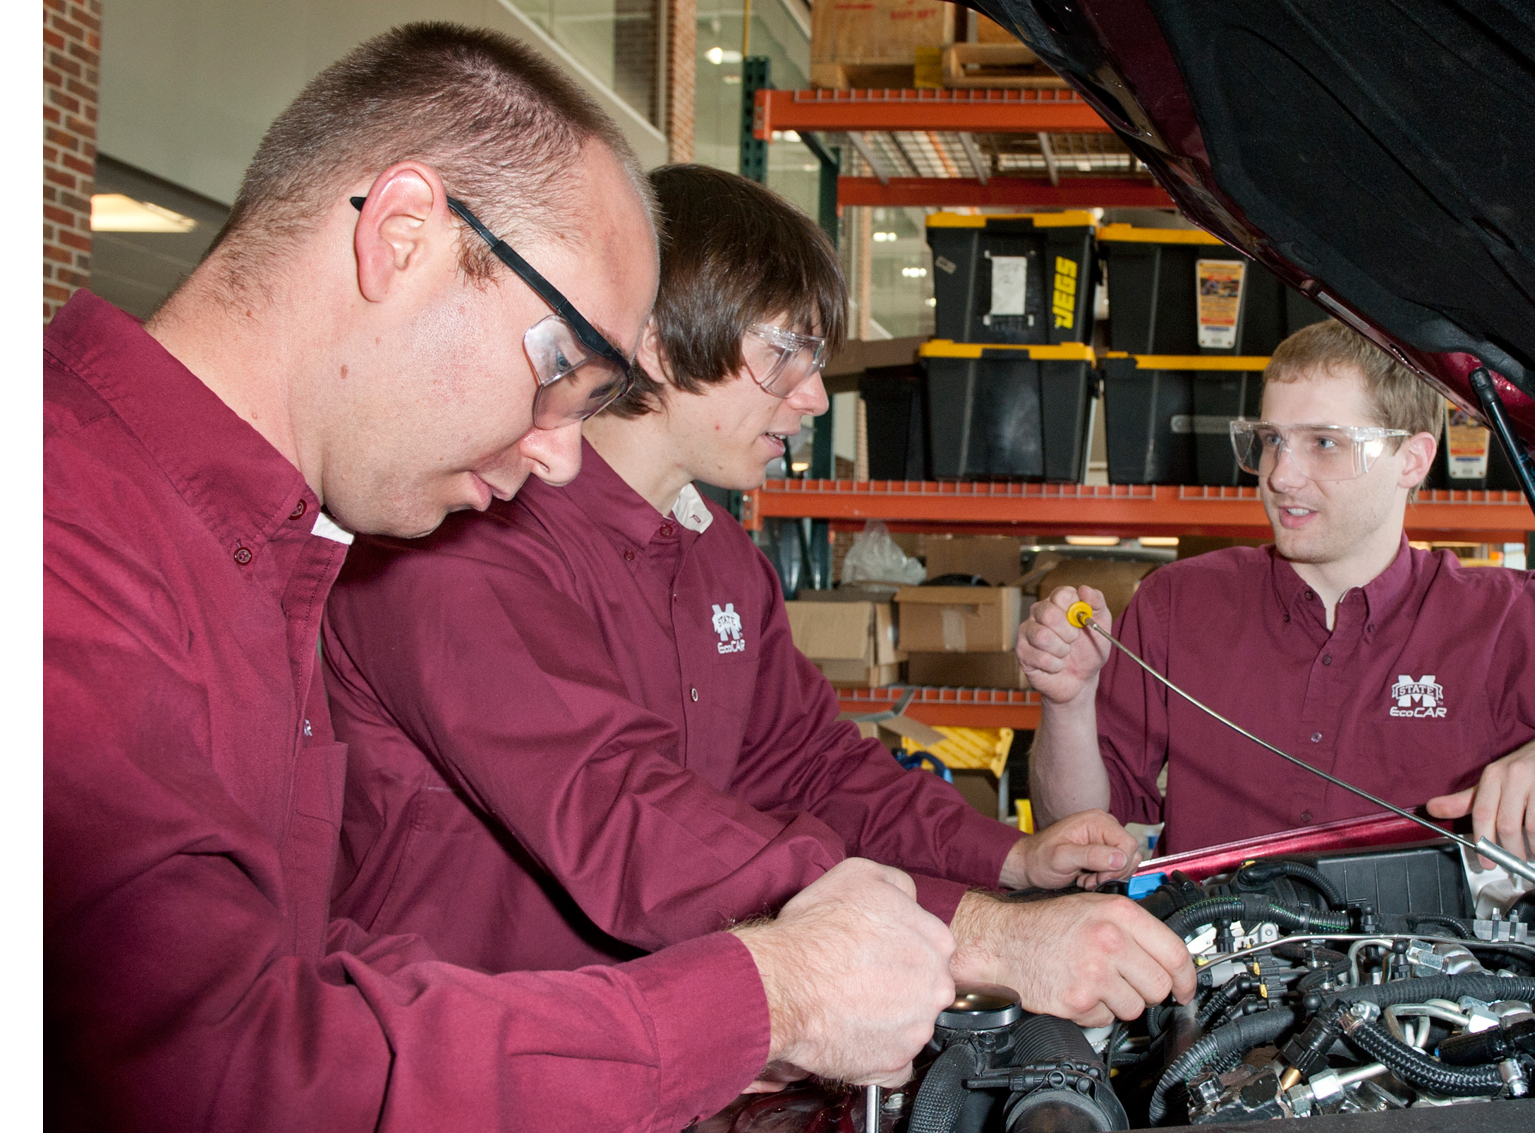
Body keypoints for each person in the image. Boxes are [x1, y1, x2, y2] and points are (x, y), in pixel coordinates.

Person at [46, 26, 956, 1133]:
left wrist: (662, 1030)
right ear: (401, 235)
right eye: (559, 373)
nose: (564, 457)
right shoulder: (64, 543)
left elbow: (301, 968)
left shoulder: (262, 549)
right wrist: (758, 997)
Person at [325, 164, 1196, 1030]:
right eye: (786, 353)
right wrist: (984, 936)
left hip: (670, 1052)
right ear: (660, 342)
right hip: (469, 1058)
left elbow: (811, 766)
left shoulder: (720, 559)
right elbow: (626, 818)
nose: (814, 396)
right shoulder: (468, 540)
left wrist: (1007, 858)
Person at [1018, 317, 1535, 860]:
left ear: (1412, 459)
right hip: (1219, 990)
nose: (1281, 475)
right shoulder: (1178, 603)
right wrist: (1068, 704)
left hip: (1427, 1011)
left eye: (1324, 443)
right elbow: (1079, 833)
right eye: (1271, 440)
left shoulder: (1502, 619)